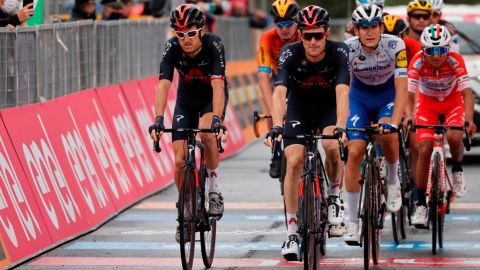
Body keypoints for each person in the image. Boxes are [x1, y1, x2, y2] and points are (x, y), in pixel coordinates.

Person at [265, 5, 350, 260]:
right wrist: (277, 125)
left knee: (331, 146)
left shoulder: (339, 51)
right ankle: (292, 232)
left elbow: (343, 92)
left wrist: (342, 127)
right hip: (299, 109)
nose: (312, 41)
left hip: (328, 108)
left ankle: (334, 195)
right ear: (300, 35)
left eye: (318, 35)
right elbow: (279, 91)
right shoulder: (289, 52)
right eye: (307, 35)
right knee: (293, 161)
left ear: (326, 33)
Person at [149, 4, 228, 242]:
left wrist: (217, 119)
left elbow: (218, 85)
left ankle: (213, 189)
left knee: (206, 133)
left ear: (201, 30)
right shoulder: (172, 47)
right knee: (180, 159)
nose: (185, 39)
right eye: (180, 33)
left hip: (210, 99)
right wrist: (159, 119)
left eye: (191, 33)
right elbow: (163, 84)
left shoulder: (214, 44)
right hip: (186, 100)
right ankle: (185, 209)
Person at [343, 4, 408, 245]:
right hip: (358, 98)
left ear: (381, 27)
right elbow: (343, 88)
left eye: (374, 27)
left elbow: (402, 87)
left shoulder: (395, 45)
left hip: (387, 96)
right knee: (354, 151)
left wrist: (395, 120)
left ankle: (393, 180)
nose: (369, 32)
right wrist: (341, 123)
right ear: (356, 30)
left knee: (388, 133)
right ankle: (351, 221)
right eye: (363, 28)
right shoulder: (347, 48)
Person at [408, 24, 476, 227]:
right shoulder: (417, 61)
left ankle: (456, 168)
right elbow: (410, 94)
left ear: (448, 49)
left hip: (452, 102)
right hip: (427, 105)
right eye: (430, 50)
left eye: (441, 50)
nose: (436, 56)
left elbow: (467, 94)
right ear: (423, 50)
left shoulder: (456, 60)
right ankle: (420, 203)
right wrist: (410, 116)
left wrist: (469, 120)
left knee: (455, 136)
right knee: (424, 148)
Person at [257, 0, 300, 178]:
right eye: (279, 24)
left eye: (289, 23)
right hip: (278, 77)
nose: (284, 29)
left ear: (297, 22)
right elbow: (262, 77)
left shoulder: (305, 35)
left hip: (301, 76)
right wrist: (272, 110)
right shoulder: (267, 38)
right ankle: (276, 152)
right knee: (271, 107)